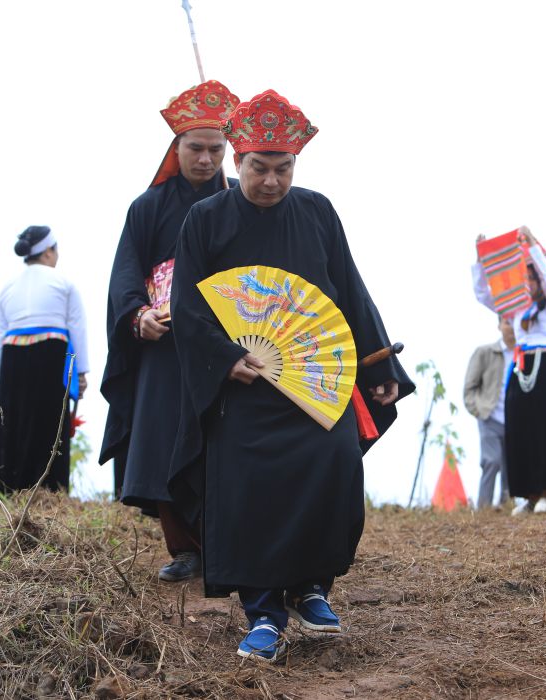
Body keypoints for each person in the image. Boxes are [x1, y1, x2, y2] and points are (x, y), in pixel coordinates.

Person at [168, 89, 414, 663]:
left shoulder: (317, 211)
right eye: (260, 168)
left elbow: (348, 289)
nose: (272, 181)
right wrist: (226, 357)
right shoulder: (205, 220)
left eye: (283, 168)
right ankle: (263, 614)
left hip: (316, 385)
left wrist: (380, 362)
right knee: (248, 491)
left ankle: (311, 588)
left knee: (335, 464)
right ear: (238, 161)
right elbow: (188, 307)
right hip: (243, 388)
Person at [99, 80, 239, 584]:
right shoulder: (148, 206)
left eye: (215, 149)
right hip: (165, 345)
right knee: (162, 437)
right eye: (195, 148)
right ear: (175, 148)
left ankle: (230, 544)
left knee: (224, 438)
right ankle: (184, 549)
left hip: (225, 343)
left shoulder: (240, 202)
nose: (205, 159)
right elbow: (125, 271)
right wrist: (137, 314)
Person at [473, 228, 546, 514]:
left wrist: (533, 245)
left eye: (533, 278)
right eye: (526, 278)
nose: (530, 283)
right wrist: (479, 260)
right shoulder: (514, 309)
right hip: (520, 368)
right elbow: (482, 294)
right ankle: (528, 495)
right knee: (520, 429)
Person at [0, 226, 88, 493]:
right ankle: (50, 491)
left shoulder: (7, 288)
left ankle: (8, 489)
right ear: (48, 252)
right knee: (49, 422)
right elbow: (77, 328)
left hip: (13, 356)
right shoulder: (64, 284)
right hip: (50, 354)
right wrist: (81, 373)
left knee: (13, 422)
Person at [463, 315, 515, 509]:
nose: (511, 327)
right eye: (507, 322)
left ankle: (507, 506)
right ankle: (483, 509)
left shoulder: (524, 355)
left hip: (514, 420)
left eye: (515, 322)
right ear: (499, 325)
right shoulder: (485, 352)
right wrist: (478, 410)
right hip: (490, 416)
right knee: (491, 461)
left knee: (511, 466)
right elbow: (470, 386)